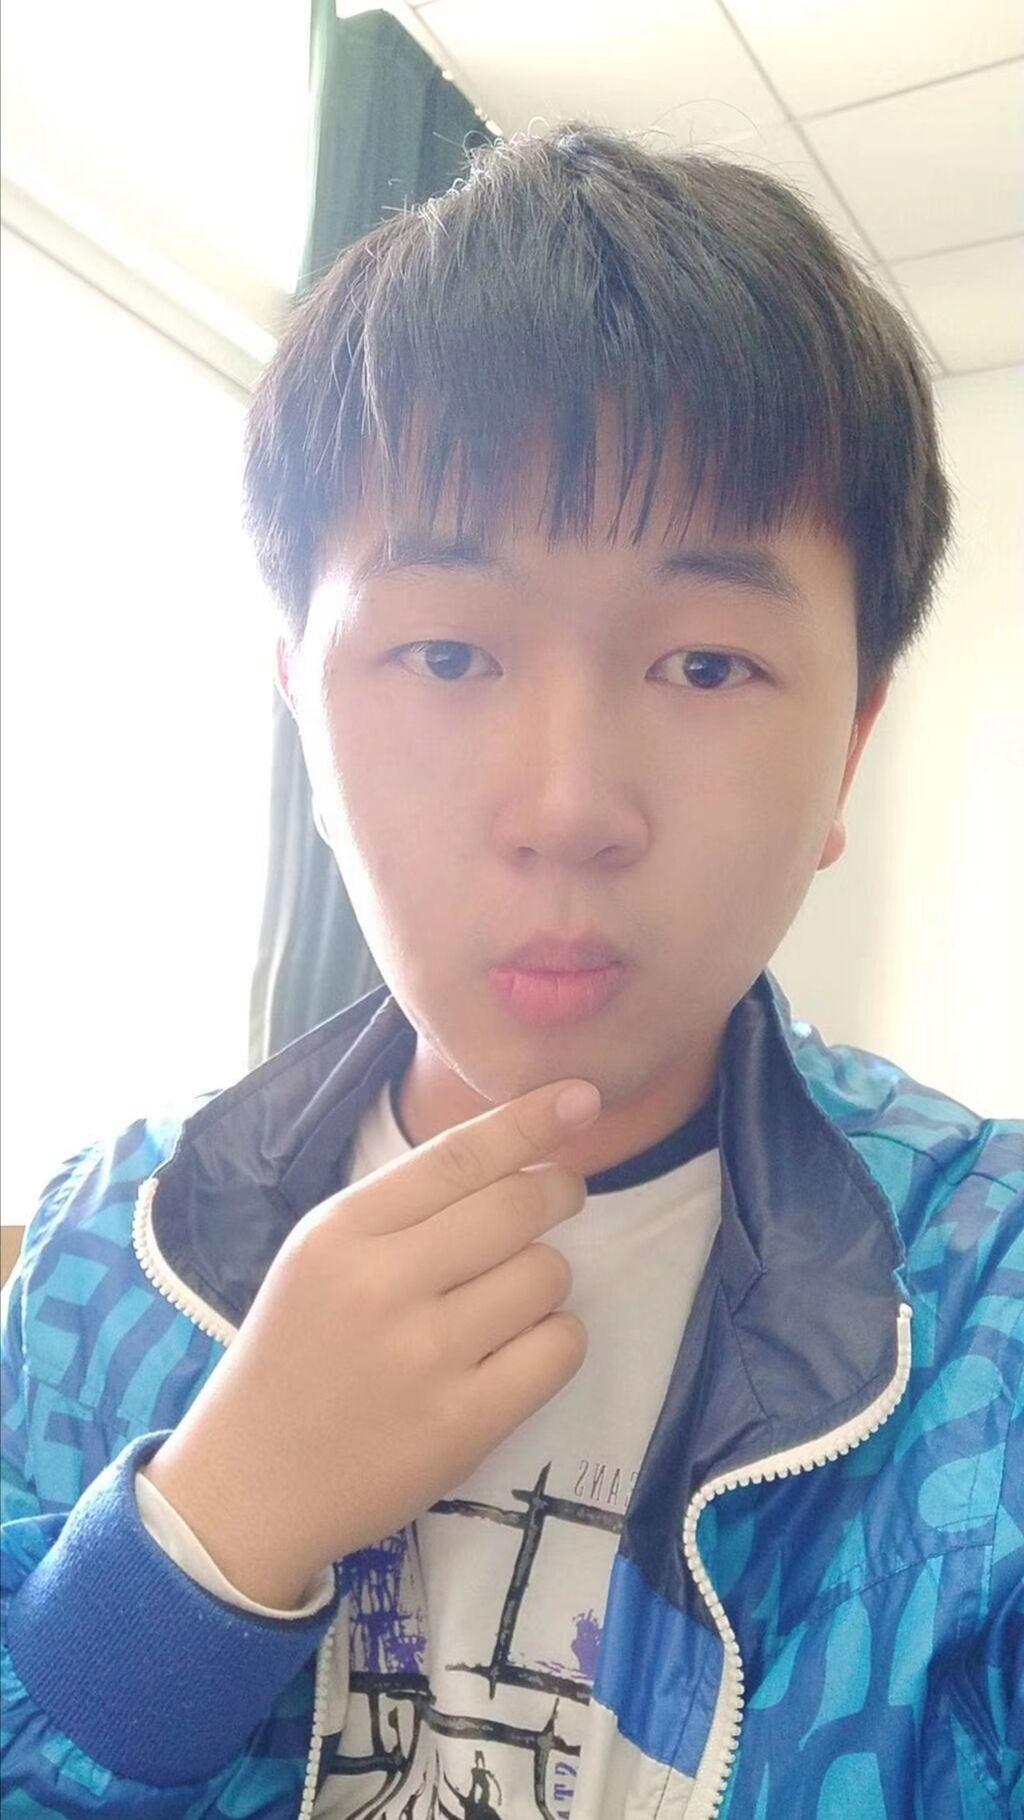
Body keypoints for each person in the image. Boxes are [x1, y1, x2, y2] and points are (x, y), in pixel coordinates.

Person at [2, 121, 1021, 1820]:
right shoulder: (112, 1245)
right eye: (447, 651)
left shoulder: (989, 1300)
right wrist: (199, 1541)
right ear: (306, 722)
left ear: (850, 748)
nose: (568, 808)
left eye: (707, 665)